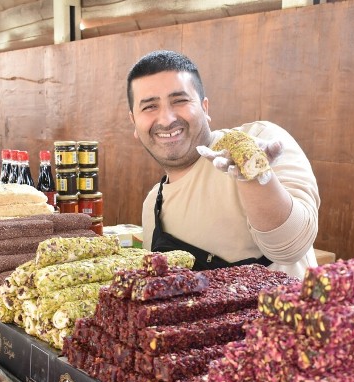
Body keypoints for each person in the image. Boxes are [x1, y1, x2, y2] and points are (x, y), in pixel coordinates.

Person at [126, 50, 320, 278]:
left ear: (205, 108)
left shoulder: (259, 140)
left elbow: (291, 247)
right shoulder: (152, 206)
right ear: (134, 122)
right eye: (149, 106)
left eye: (179, 101)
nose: (167, 119)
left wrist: (255, 177)